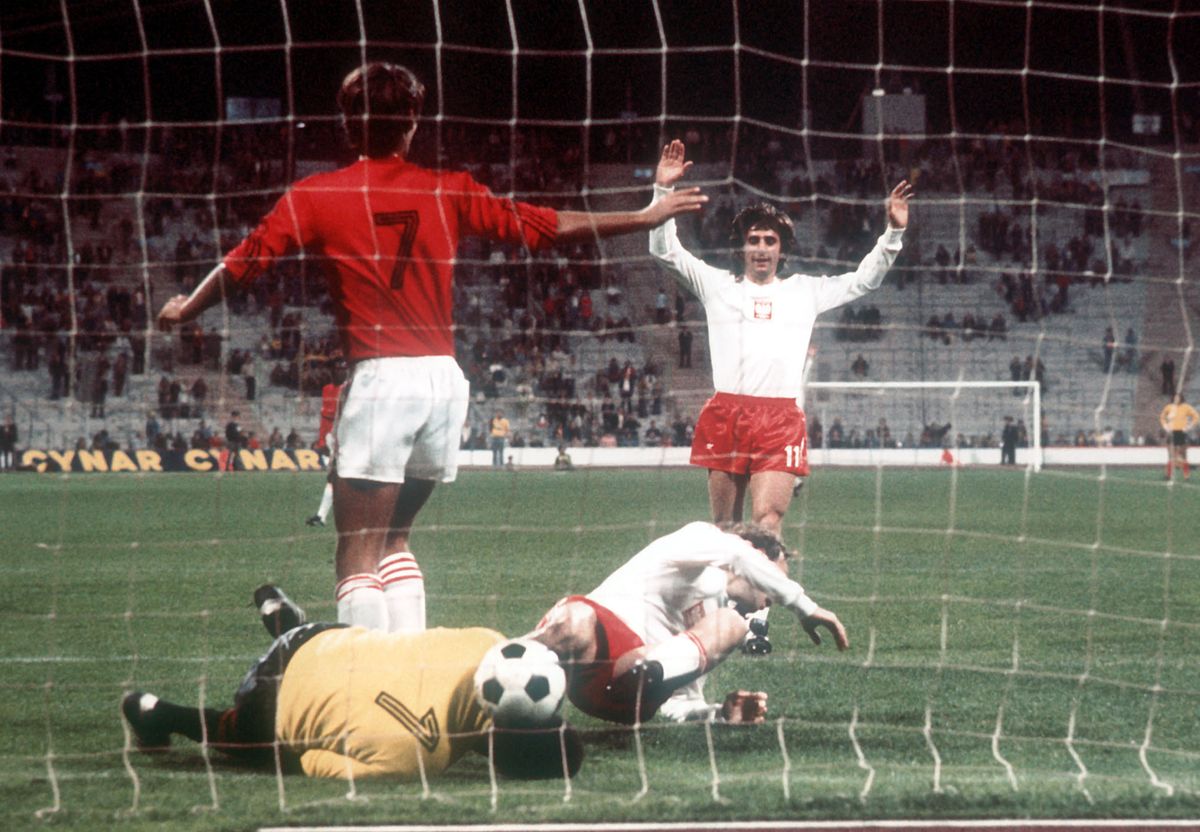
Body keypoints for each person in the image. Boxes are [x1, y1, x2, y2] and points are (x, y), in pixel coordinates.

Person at [155, 62, 707, 634]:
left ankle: (365, 686)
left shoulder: (314, 195)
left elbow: (243, 263)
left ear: (347, 124)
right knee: (396, 539)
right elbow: (547, 226)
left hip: (381, 379)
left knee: (356, 550)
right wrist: (643, 215)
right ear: (413, 123)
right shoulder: (450, 189)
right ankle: (410, 665)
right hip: (443, 381)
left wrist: (185, 308)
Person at [648, 139, 911, 536]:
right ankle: (728, 599)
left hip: (779, 419)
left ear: (781, 249)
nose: (760, 248)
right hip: (727, 414)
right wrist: (663, 191)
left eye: (769, 241)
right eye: (753, 240)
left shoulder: (805, 291)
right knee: (725, 530)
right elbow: (664, 252)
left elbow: (864, 281)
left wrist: (892, 232)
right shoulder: (716, 285)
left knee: (768, 524)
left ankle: (763, 599)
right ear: (741, 247)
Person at [122, 585, 583, 781]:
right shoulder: (418, 763)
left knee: (362, 645)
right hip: (266, 701)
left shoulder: (491, 644)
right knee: (266, 751)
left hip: (324, 637)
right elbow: (310, 760)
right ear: (499, 764)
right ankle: (153, 711)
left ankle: (281, 618)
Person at [528, 521, 848, 725]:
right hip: (591, 648)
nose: (775, 595)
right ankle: (500, 659)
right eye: (776, 576)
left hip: (627, 695)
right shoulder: (698, 538)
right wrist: (804, 605)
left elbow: (681, 704)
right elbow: (737, 555)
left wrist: (720, 714)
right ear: (754, 553)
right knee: (577, 616)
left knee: (733, 624)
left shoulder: (719, 622)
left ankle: (643, 669)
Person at [307, 360, 348, 528]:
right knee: (334, 477)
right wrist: (322, 439)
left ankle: (322, 516)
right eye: (337, 369)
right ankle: (321, 516)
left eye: (343, 369)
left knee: (336, 477)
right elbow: (325, 418)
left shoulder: (347, 390)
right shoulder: (327, 390)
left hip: (345, 438)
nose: (340, 372)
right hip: (332, 438)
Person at [1159, 393, 1199, 481]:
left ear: (1181, 398)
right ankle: (1168, 475)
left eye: (1178, 397)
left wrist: (1189, 427)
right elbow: (1162, 417)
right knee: (1171, 455)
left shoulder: (1186, 407)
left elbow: (1196, 417)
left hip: (1181, 432)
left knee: (1183, 455)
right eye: (1175, 397)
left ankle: (1186, 475)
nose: (1176, 399)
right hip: (1172, 432)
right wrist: (1165, 426)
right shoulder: (1169, 407)